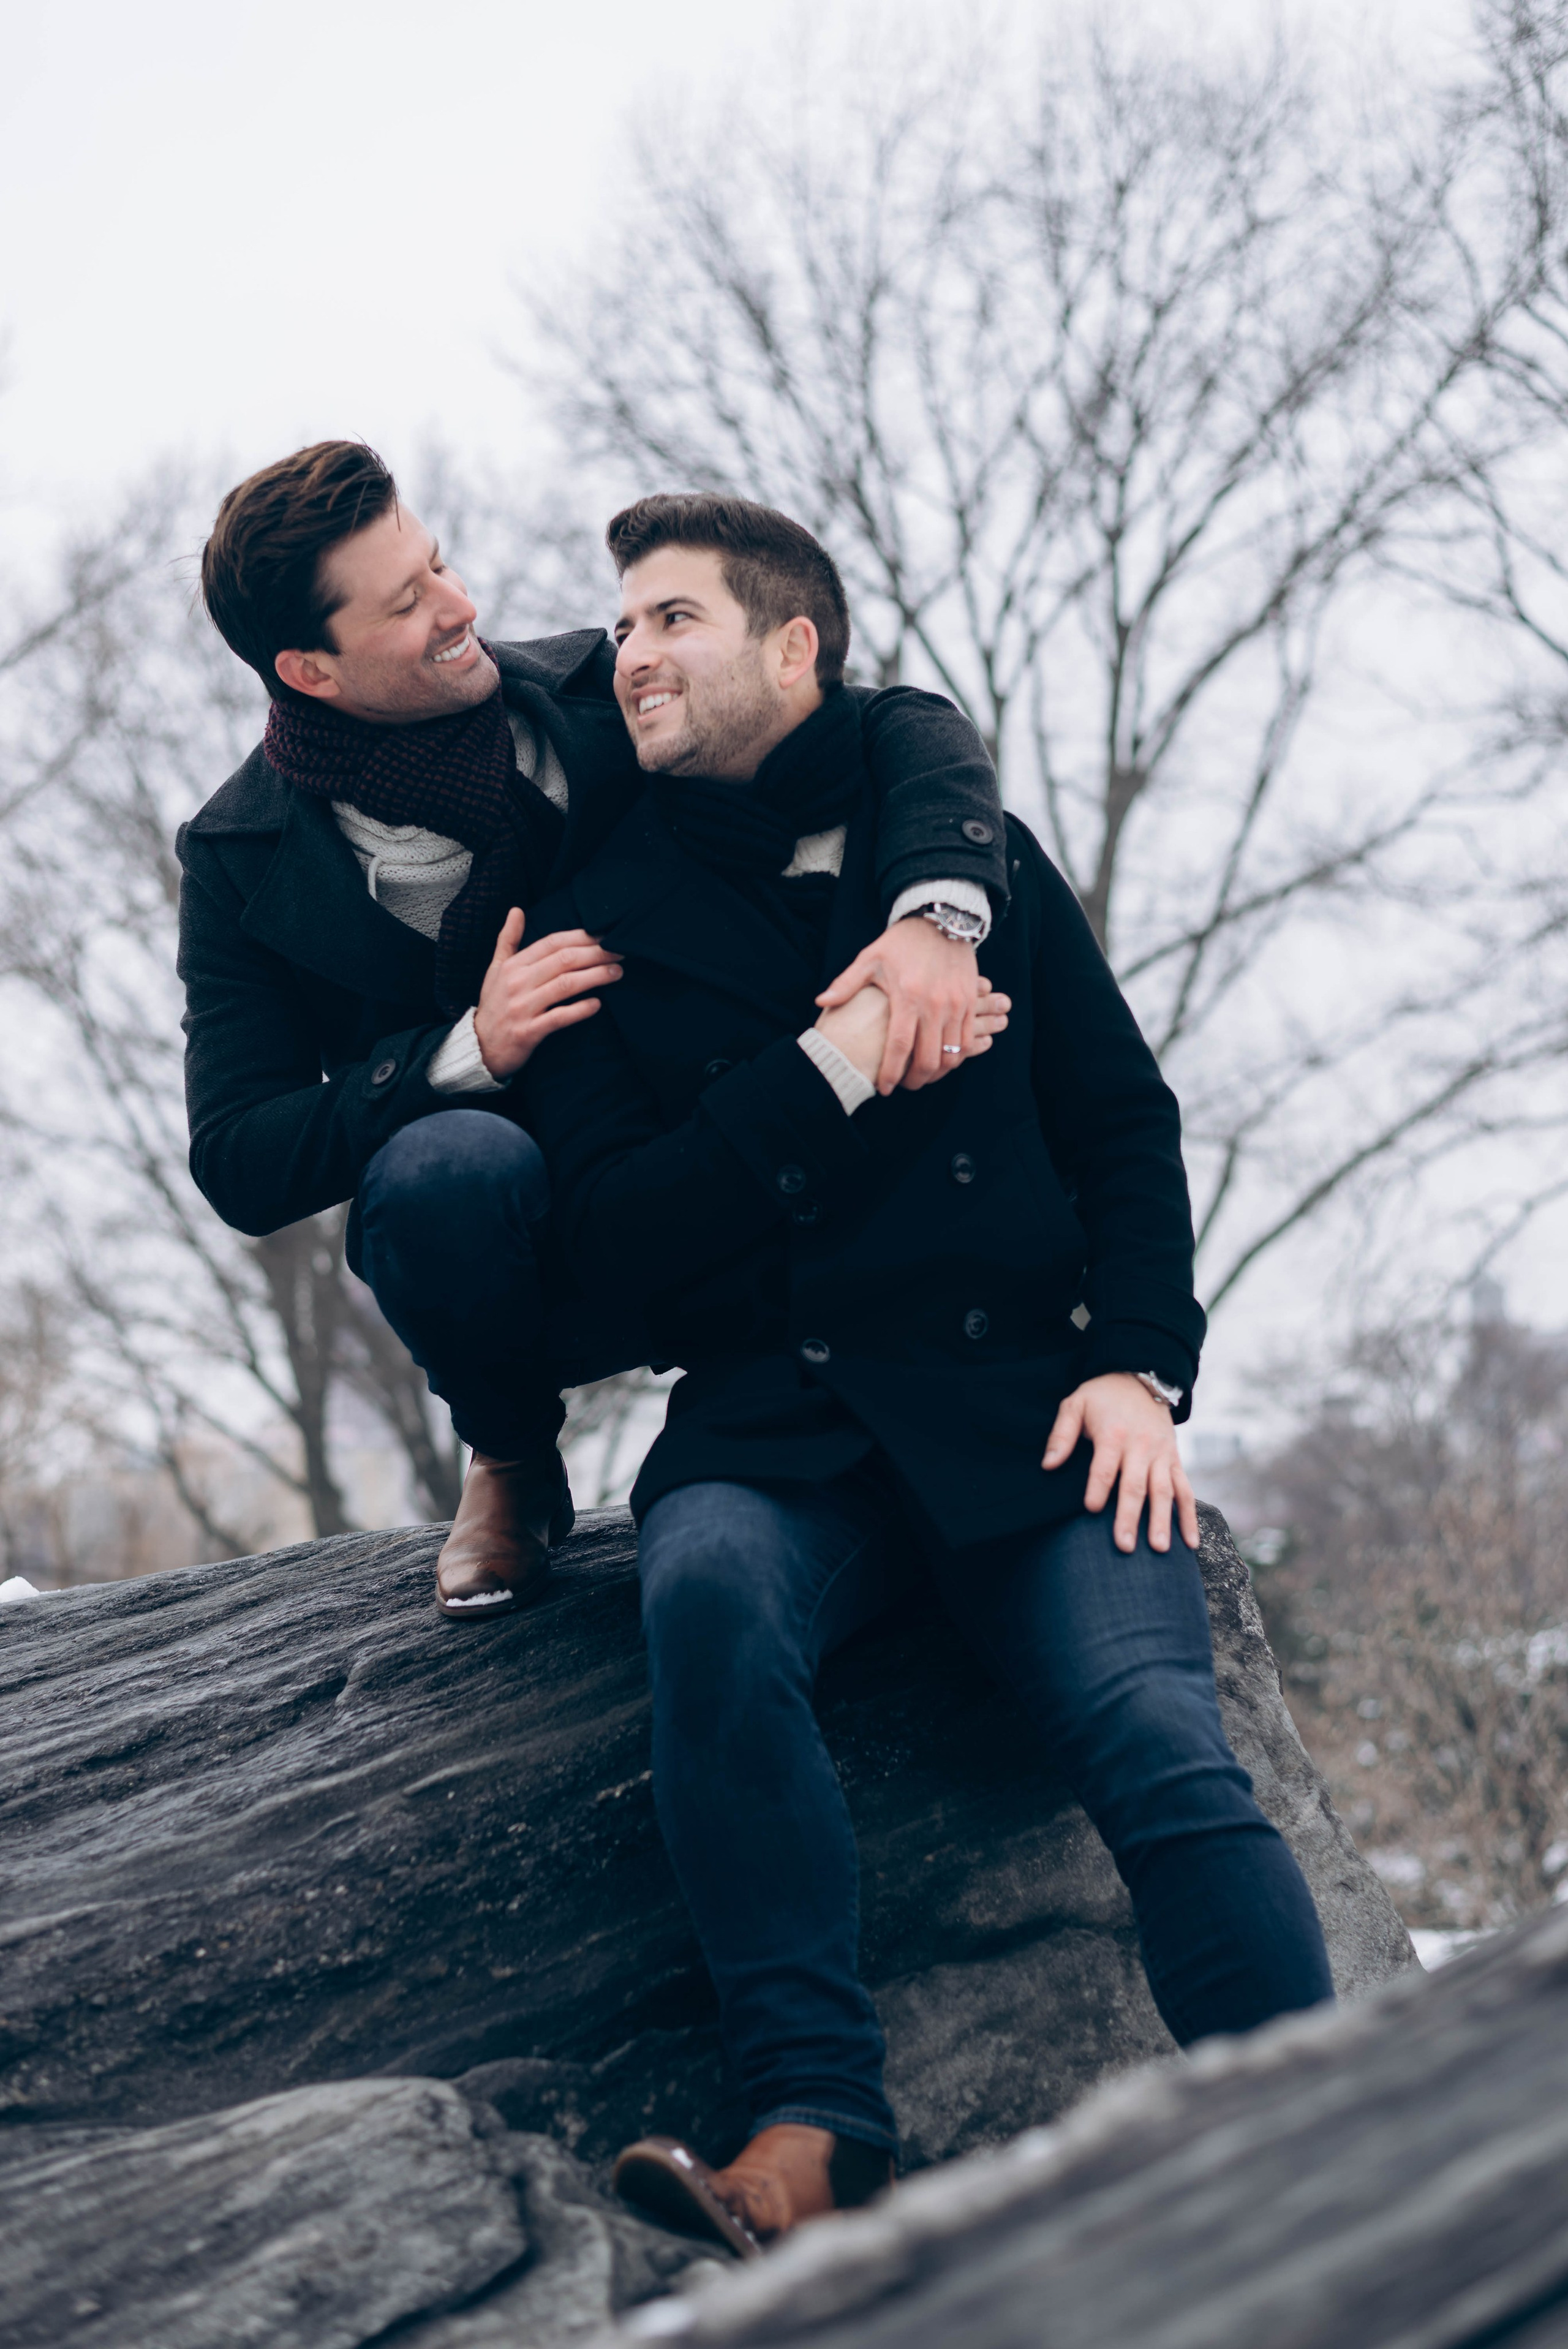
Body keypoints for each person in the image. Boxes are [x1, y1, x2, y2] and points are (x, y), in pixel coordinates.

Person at [516, 491, 1336, 2257]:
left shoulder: (960, 853)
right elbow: (613, 1242)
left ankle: (1331, 2127)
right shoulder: (588, 917)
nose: (628, 655)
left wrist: (1139, 1367)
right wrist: (833, 1058)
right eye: (624, 626)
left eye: (673, 621)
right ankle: (807, 2133)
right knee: (713, 1608)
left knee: (1156, 1738)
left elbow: (1119, 1123)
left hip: (1030, 1410)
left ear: (793, 645)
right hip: (773, 1418)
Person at [178, 441, 1013, 1616]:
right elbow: (238, 1156)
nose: (459, 608)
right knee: (443, 1169)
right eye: (407, 602)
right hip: (525, 1257)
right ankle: (512, 1462)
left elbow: (886, 722)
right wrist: (460, 1050)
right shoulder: (236, 859)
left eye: (440, 565)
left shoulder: (601, 687)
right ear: (309, 669)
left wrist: (938, 913)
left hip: (722, 1158)